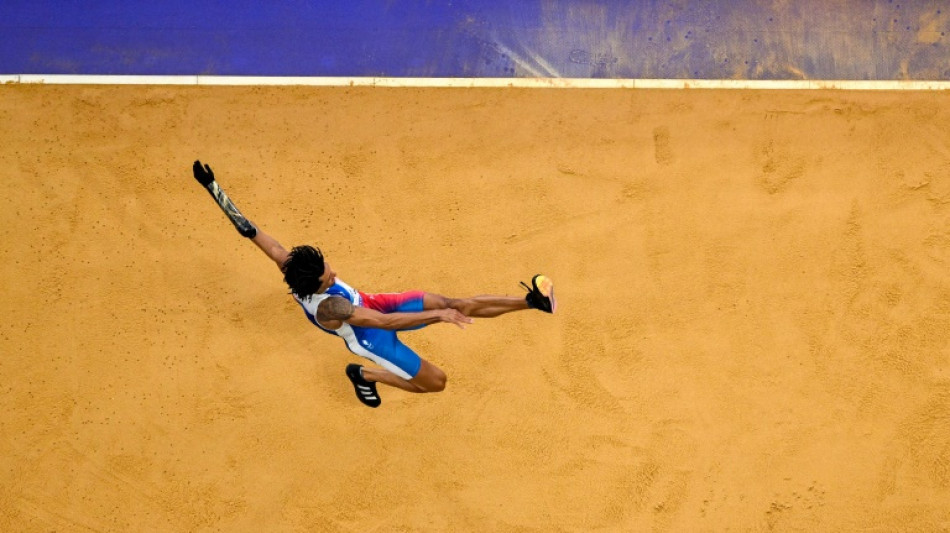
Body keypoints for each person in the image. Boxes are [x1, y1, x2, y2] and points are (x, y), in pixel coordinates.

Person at [192, 160, 556, 408]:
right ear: (316, 288)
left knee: (453, 300)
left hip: (375, 303)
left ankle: (531, 302)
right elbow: (383, 324)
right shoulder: (331, 308)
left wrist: (213, 188)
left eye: (327, 266)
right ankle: (365, 375)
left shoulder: (293, 265)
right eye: (327, 277)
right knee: (436, 382)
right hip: (373, 336)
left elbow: (252, 232)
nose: (333, 273)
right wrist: (436, 316)